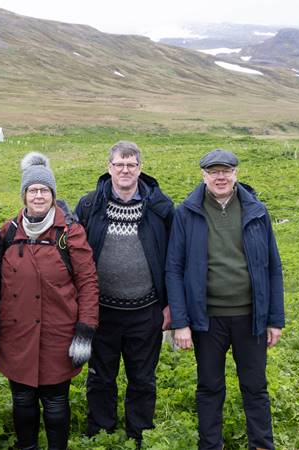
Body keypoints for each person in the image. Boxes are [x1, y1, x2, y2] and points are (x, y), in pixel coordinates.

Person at [165, 149, 285, 450]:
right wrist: (181, 323)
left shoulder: (257, 211)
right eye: (213, 171)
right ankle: (210, 445)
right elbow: (174, 269)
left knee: (255, 387)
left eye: (226, 171)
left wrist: (275, 319)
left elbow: (273, 268)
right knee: (209, 387)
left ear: (236, 174)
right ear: (204, 175)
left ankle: (261, 445)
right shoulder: (186, 213)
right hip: (207, 319)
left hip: (251, 317)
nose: (220, 177)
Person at [0, 152, 99, 450]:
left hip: (58, 332)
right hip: (17, 333)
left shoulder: (71, 233)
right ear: (24, 195)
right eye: (32, 190)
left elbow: (88, 283)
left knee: (55, 402)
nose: (38, 196)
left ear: (53, 195)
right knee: (22, 400)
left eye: (44, 190)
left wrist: (85, 331)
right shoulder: (9, 231)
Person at [75, 141, 175, 446]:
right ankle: (101, 433)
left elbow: (174, 259)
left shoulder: (161, 208)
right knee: (100, 377)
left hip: (146, 311)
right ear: (109, 168)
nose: (125, 170)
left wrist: (170, 304)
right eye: (119, 164)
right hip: (102, 311)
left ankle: (139, 434)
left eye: (131, 165)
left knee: (142, 379)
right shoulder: (90, 205)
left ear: (140, 169)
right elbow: (76, 258)